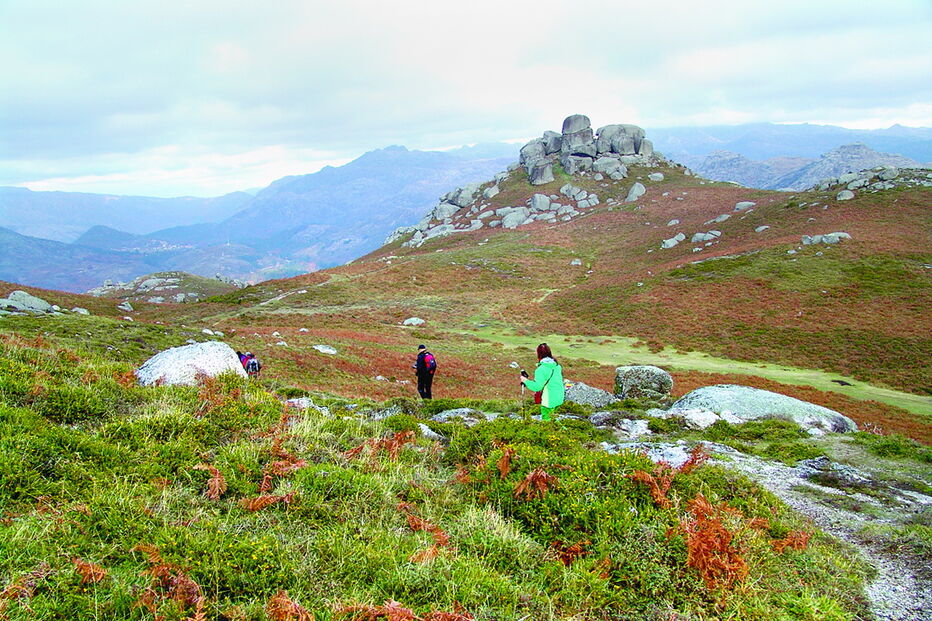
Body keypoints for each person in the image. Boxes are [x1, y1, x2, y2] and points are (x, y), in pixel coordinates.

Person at [520, 343, 564, 421]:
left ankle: (562, 432)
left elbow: (537, 387)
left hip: (549, 400)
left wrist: (525, 381)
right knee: (554, 419)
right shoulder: (557, 366)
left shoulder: (541, 369)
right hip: (559, 397)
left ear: (538, 354)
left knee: (547, 422)